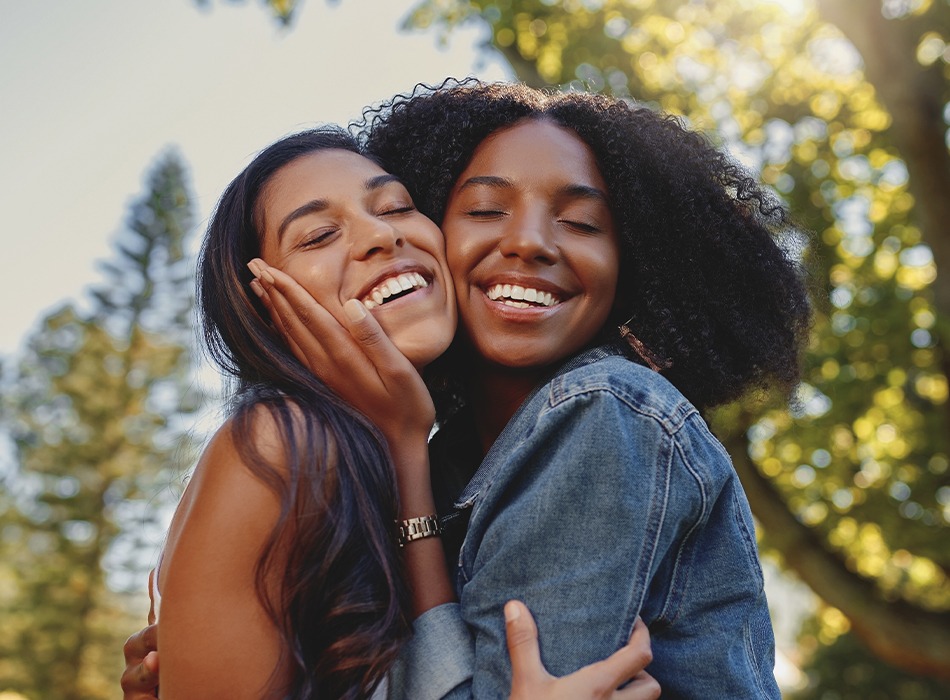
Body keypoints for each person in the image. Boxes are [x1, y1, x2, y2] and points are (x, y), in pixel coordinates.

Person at [125, 79, 810, 698]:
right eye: (485, 209)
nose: (532, 243)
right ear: (260, 301)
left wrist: (404, 455)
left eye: (580, 222)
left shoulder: (602, 410)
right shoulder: (303, 448)